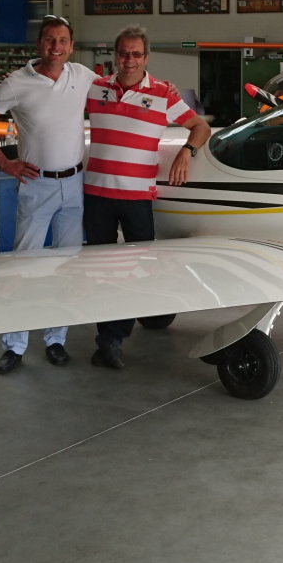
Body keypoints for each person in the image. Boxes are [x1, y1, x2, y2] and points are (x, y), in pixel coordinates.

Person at [82, 25, 213, 370]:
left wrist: (186, 152)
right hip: (96, 194)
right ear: (115, 55)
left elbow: (200, 127)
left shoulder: (163, 94)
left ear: (146, 58)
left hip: (137, 197)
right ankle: (108, 340)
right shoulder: (94, 88)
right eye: (124, 53)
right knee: (101, 271)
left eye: (136, 54)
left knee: (135, 270)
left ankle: (115, 337)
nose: (130, 60)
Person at [0, 14, 95, 374]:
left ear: (71, 46)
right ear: (39, 44)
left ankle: (56, 339)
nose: (56, 46)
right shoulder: (17, 83)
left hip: (74, 185)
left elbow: (121, 88)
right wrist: (4, 162)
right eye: (50, 39)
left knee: (68, 267)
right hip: (36, 185)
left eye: (63, 40)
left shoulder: (82, 76)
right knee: (22, 267)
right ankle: (14, 345)